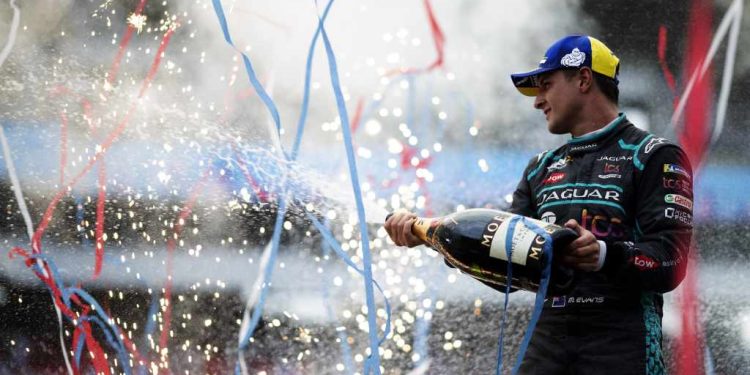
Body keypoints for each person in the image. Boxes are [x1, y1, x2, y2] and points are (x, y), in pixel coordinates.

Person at [384, 35, 693, 374]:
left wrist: (603, 254)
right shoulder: (540, 168)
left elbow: (671, 261)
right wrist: (433, 239)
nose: (537, 101)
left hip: (621, 342)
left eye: (546, 85)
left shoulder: (654, 155)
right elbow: (505, 270)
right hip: (548, 342)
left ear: (584, 79)